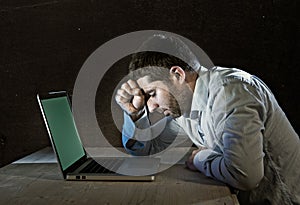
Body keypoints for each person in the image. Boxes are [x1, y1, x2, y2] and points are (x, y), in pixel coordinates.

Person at [114, 34, 300, 205]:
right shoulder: (185, 108)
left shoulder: (231, 92)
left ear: (178, 74)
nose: (152, 107)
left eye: (152, 94)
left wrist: (199, 159)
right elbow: (148, 149)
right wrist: (136, 115)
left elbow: (245, 176)